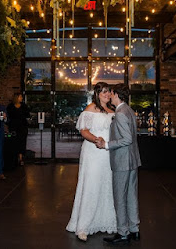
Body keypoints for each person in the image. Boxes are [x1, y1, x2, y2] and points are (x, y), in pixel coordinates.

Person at [66, 82, 117, 242]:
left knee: (107, 184)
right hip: (94, 152)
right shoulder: (90, 109)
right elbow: (83, 130)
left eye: (108, 92)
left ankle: (105, 220)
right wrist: (96, 140)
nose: (107, 95)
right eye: (103, 92)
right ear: (97, 94)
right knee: (92, 184)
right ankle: (83, 226)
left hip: (108, 152)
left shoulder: (112, 110)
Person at [97, 84, 141, 245]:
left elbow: (127, 139)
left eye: (111, 93)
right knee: (131, 195)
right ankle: (135, 230)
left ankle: (123, 232)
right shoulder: (129, 110)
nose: (109, 95)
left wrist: (107, 145)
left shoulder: (121, 113)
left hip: (122, 161)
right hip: (132, 160)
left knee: (120, 197)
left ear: (116, 94)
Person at [6, 93, 30, 166]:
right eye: (20, 97)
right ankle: (15, 159)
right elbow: (8, 117)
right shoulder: (10, 107)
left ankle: (21, 158)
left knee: (22, 143)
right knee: (14, 142)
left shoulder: (23, 106)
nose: (21, 98)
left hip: (22, 127)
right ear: (16, 98)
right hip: (14, 127)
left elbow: (27, 115)